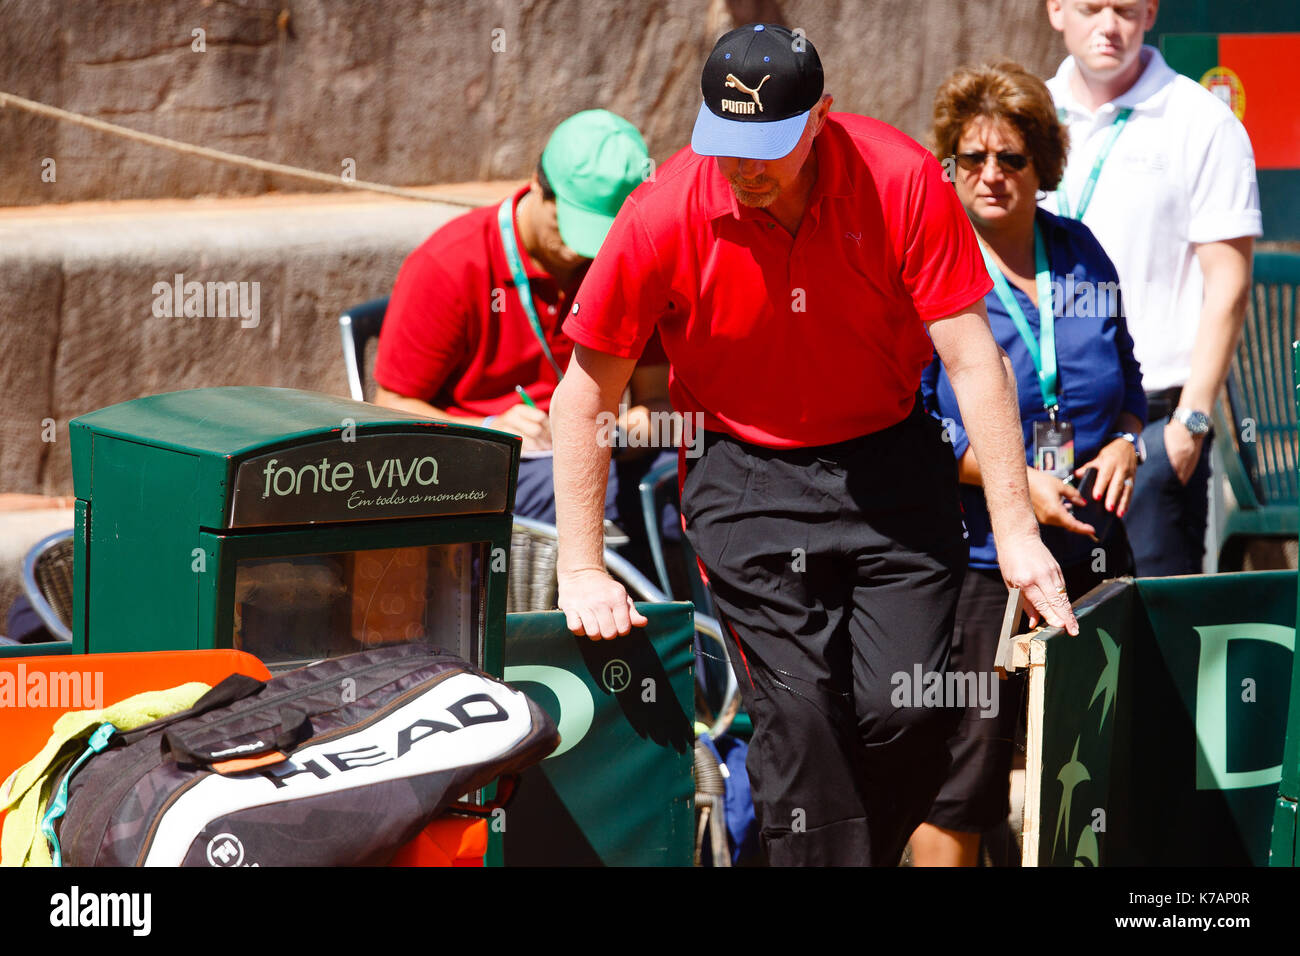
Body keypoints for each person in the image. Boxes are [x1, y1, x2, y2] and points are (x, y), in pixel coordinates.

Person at [550, 23, 1079, 867]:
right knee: (800, 721)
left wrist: (1016, 532)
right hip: (743, 479)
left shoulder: (901, 179)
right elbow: (583, 399)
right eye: (727, 143)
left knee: (902, 711)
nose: (745, 167)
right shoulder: (662, 212)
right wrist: (581, 565)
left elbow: (974, 359)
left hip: (892, 466)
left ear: (822, 117)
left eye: (768, 146)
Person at [911, 61, 1146, 867]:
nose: (990, 175)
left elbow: (1130, 379)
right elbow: (911, 422)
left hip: (1092, 547)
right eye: (970, 158)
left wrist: (1128, 438)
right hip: (978, 561)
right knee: (966, 774)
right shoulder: (930, 261)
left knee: (1100, 755)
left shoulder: (1081, 255)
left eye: (1010, 158)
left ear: (1041, 163)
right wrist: (1013, 485)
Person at [1043, 0, 1260, 575]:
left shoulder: (1200, 120)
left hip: (1155, 431)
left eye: (1126, 8)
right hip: (1039, 432)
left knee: (1157, 645)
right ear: (1057, 9)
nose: (1109, 25)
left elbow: (1229, 284)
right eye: (1092, 7)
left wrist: (1192, 423)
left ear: (1151, 11)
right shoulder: (1026, 118)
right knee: (1041, 650)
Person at [372, 109, 670, 523]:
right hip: (487, 466)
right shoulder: (450, 263)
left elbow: (658, 401)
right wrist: (490, 429)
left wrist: (626, 433)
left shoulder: (624, 260)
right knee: (600, 493)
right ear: (536, 185)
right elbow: (389, 407)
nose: (581, 251)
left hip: (598, 451)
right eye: (570, 225)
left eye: (602, 230)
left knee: (694, 480)